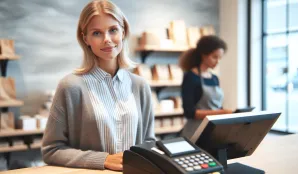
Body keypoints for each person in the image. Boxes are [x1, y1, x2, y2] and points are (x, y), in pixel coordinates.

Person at [41, 0, 155, 171]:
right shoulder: (70, 86)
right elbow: (51, 150)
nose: (107, 40)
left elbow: (149, 142)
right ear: (85, 38)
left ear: (123, 31)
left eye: (113, 30)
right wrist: (103, 160)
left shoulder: (140, 85)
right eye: (96, 33)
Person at [179, 35, 233, 137]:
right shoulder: (191, 77)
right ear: (204, 55)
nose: (217, 61)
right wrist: (222, 113)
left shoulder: (214, 78)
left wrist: (223, 112)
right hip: (195, 132)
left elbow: (217, 106)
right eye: (214, 57)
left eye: (219, 58)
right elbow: (190, 112)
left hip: (213, 130)